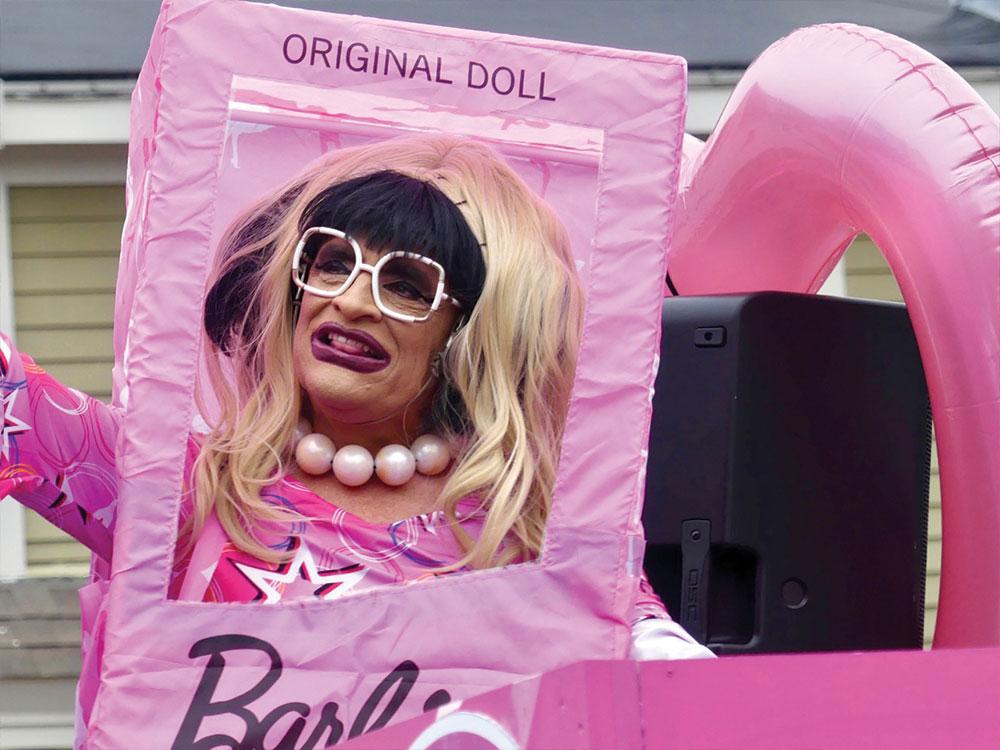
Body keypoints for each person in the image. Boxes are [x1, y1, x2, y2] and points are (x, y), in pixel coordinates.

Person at [0, 135, 712, 658]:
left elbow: (649, 653)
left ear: (465, 333)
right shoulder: (189, 485)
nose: (352, 301)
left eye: (406, 285)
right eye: (333, 262)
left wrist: (664, 654)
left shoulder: (525, 528)